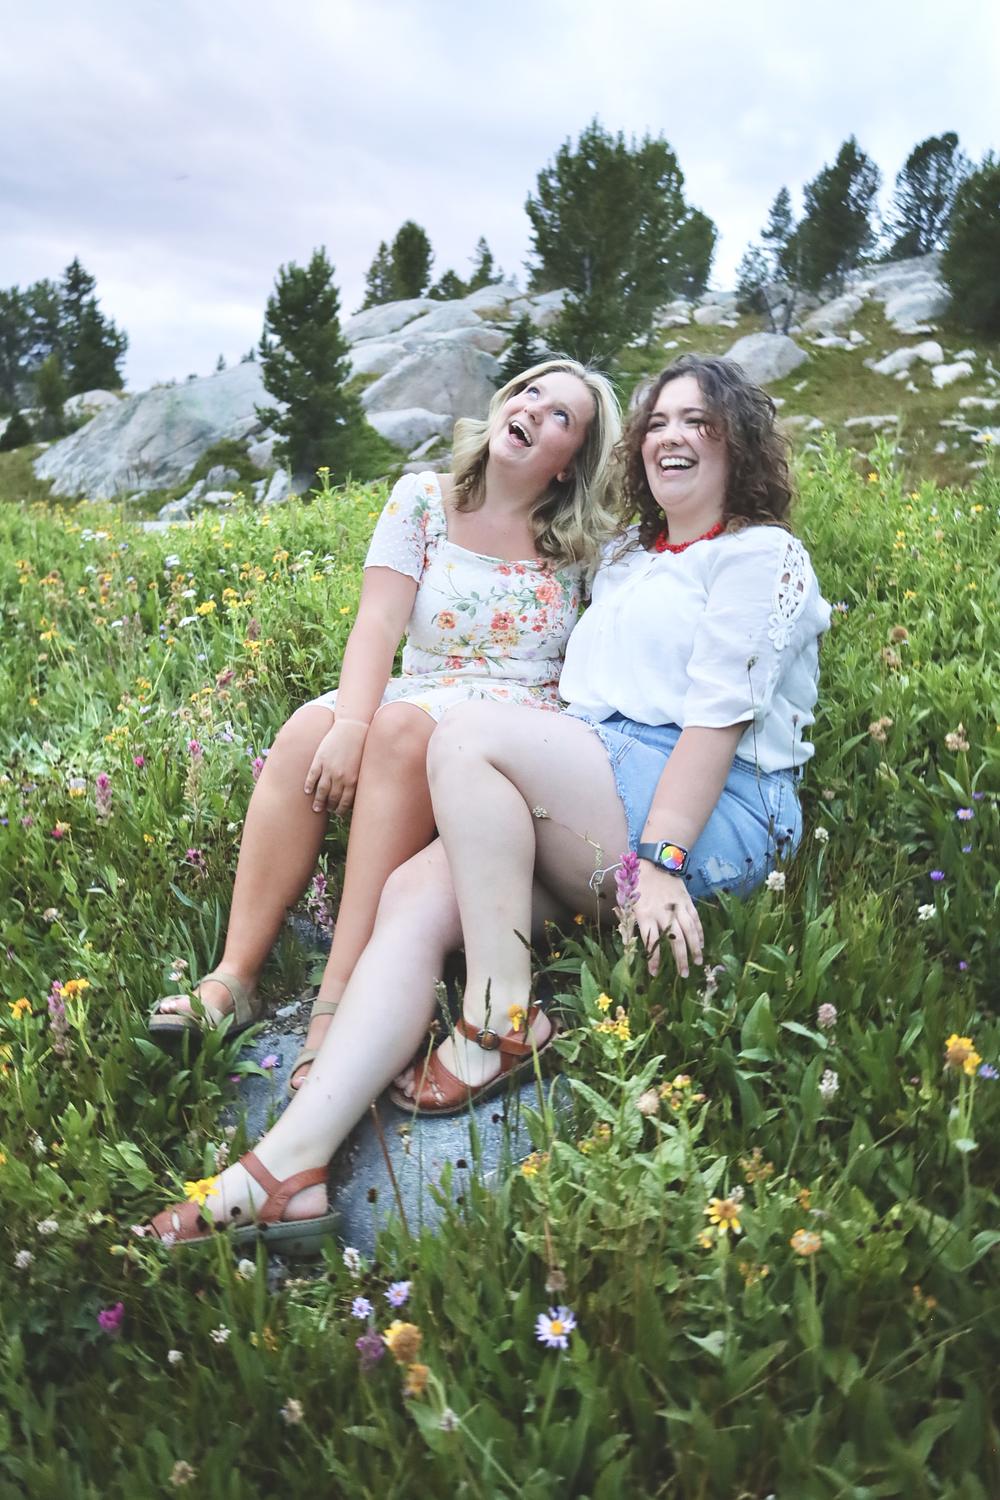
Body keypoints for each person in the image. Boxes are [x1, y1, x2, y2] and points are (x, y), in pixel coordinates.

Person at [146, 354, 830, 1249]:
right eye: (658, 421)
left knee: (468, 732)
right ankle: (288, 1169)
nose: (672, 436)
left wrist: (663, 862)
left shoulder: (759, 554)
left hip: (710, 812)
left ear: (738, 441)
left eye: (698, 421)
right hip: (596, 789)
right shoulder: (626, 555)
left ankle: (501, 1016)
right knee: (410, 897)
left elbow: (716, 723)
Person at [148, 358, 622, 1099]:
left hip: (510, 718)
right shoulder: (424, 498)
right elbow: (377, 622)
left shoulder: (582, 545)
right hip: (421, 685)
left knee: (399, 728)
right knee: (307, 734)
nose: (534, 408)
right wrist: (348, 723)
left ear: (571, 463)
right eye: (530, 391)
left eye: (561, 414)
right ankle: (234, 979)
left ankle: (336, 1005)